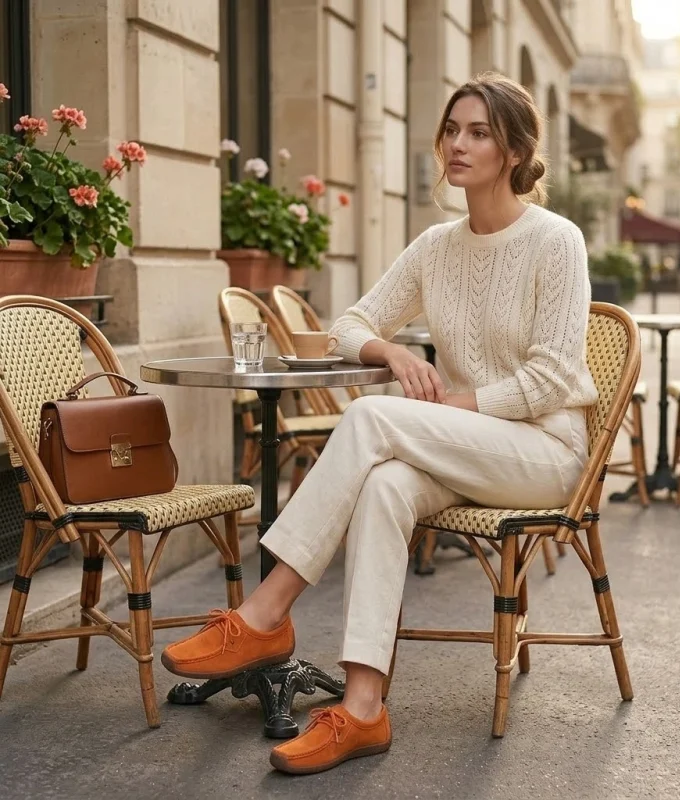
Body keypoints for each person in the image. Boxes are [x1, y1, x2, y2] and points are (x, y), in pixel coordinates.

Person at [161, 72, 599, 775]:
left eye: (478, 133)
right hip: (469, 448)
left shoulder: (556, 241)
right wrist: (390, 351)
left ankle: (265, 614)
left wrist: (445, 408)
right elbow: (348, 325)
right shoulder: (436, 246)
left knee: (370, 419)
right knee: (385, 486)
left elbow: (550, 379)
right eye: (451, 130)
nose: (457, 145)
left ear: (515, 152)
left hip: (546, 452)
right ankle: (364, 708)